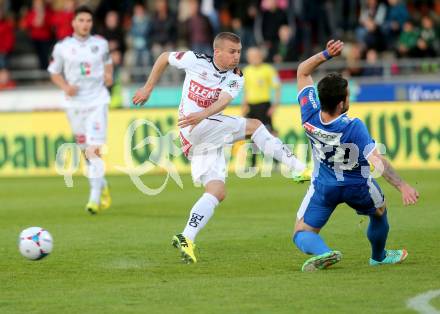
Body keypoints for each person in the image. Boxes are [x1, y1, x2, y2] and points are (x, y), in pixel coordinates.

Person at [132, 32, 306, 263]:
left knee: (216, 191)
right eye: (232, 52)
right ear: (217, 52)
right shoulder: (195, 60)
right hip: (193, 129)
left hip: (202, 132)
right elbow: (164, 56)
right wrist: (148, 88)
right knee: (254, 126)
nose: (237, 57)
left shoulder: (236, 76)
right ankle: (298, 167)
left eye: (239, 52)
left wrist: (201, 115)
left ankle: (186, 236)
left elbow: (223, 101)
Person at [293, 39, 419, 272]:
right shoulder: (354, 127)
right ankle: (379, 256)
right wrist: (402, 186)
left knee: (301, 232)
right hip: (357, 185)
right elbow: (377, 161)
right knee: (379, 212)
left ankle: (324, 253)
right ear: (342, 104)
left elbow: (302, 71)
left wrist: (326, 54)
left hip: (325, 186)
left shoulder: (309, 114)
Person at [48, 6, 113, 215]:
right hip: (74, 104)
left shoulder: (100, 44)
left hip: (97, 100)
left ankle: (94, 198)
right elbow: (54, 72)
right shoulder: (62, 47)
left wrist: (109, 75)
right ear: (74, 23)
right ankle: (102, 184)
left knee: (94, 149)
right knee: (86, 150)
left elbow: (108, 63)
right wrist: (66, 87)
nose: (85, 24)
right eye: (81, 20)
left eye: (88, 21)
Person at [242, 47, 280, 168]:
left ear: (260, 56)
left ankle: (276, 162)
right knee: (252, 135)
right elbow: (246, 90)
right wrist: (244, 105)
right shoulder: (246, 70)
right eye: (251, 57)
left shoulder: (268, 69)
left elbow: (278, 87)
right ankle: (252, 163)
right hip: (251, 106)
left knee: (269, 133)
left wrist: (275, 105)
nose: (254, 59)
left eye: (256, 56)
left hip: (264, 105)